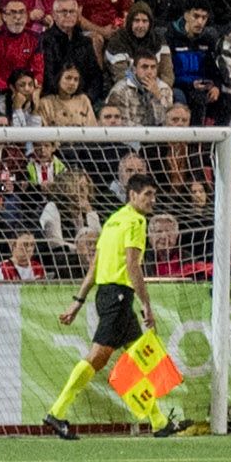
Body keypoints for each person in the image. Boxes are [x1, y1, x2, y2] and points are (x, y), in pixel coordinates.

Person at [43, 164, 179, 438]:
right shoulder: (136, 222)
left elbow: (94, 265)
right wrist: (147, 306)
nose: (152, 200)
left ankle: (159, 422)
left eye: (154, 195)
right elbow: (133, 265)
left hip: (107, 295)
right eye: (147, 194)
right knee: (97, 358)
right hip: (118, 295)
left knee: (138, 357)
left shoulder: (113, 220)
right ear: (132, 195)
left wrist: (77, 302)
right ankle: (57, 413)